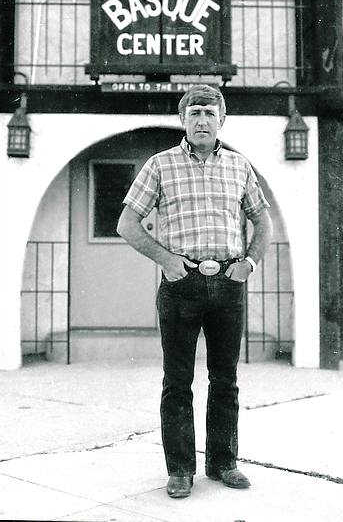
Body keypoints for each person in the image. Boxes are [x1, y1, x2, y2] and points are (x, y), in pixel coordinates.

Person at [117, 84, 273, 499]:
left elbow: (263, 222)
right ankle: (181, 470)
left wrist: (249, 263)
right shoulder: (159, 165)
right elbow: (127, 224)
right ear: (183, 120)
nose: (202, 120)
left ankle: (224, 463)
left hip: (228, 283)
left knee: (226, 379)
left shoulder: (240, 167)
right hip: (180, 285)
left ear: (221, 120)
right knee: (177, 381)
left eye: (209, 112)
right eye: (194, 113)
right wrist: (167, 261)